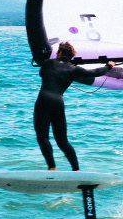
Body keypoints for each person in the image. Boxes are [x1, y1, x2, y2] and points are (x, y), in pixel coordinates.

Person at [34, 42, 115, 171]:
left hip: (44, 100)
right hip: (58, 103)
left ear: (59, 52)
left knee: (43, 137)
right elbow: (95, 72)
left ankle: (52, 168)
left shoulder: (48, 63)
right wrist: (109, 65)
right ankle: (76, 169)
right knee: (62, 141)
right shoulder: (74, 69)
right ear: (71, 56)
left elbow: (42, 74)